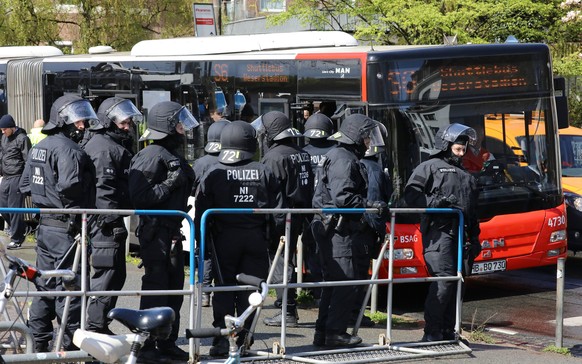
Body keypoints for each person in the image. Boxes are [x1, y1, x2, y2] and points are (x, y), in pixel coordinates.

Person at [194, 120, 284, 357]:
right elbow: (277, 210)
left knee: (223, 289)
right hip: (255, 238)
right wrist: (273, 240)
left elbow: (201, 211)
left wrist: (201, 241)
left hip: (223, 239)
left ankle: (222, 340)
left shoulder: (214, 172)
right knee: (251, 289)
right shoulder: (264, 170)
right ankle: (243, 339)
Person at [19, 95, 97, 352]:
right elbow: (70, 186)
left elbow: (25, 185)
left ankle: (38, 340)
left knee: (44, 283)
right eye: (79, 120)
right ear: (63, 119)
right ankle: (68, 346)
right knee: (69, 285)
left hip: (45, 227)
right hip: (66, 226)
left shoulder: (40, 145)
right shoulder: (70, 150)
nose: (83, 125)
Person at [128, 101, 197, 362]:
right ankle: (145, 346)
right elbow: (140, 198)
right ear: (167, 126)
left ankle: (166, 342)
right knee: (157, 289)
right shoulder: (151, 155)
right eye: (178, 123)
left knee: (174, 290)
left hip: (172, 232)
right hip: (156, 232)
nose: (183, 128)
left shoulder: (170, 154)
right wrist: (169, 185)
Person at [311, 113, 387, 348]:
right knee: (345, 283)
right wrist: (370, 206)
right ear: (356, 136)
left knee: (335, 284)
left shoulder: (341, 155)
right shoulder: (344, 158)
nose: (368, 143)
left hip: (336, 229)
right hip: (339, 231)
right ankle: (334, 333)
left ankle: (324, 332)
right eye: (366, 138)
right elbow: (343, 197)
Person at [403, 123, 481, 342]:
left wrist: (475, 237)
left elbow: (472, 210)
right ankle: (432, 332)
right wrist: (435, 202)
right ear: (446, 145)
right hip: (439, 235)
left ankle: (448, 331)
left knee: (458, 283)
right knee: (444, 281)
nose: (461, 152)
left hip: (461, 237)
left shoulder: (466, 176)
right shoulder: (429, 167)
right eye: (457, 148)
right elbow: (410, 196)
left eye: (464, 149)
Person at [82, 97, 143, 335]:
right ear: (109, 121)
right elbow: (103, 187)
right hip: (105, 223)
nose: (127, 127)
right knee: (106, 274)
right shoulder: (103, 147)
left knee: (115, 274)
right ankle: (95, 328)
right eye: (123, 123)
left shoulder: (110, 144)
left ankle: (99, 325)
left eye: (129, 122)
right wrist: (111, 220)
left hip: (110, 220)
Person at [254, 111, 313, 327]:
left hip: (280, 218)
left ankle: (286, 311)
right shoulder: (301, 153)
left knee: (279, 263)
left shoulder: (274, 157)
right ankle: (288, 308)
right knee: (286, 261)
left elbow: (268, 191)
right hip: (297, 215)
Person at [192, 118, 230, 307]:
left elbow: (192, 189)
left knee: (204, 253)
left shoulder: (200, 162)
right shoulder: (231, 162)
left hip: (203, 215)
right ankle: (221, 289)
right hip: (226, 217)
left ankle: (205, 292)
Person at [301, 113, 336, 300]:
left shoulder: (302, 153)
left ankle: (317, 289)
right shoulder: (336, 152)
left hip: (309, 210)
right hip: (331, 208)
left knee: (312, 248)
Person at [0, 114, 31, 249]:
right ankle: (20, 228)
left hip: (17, 177)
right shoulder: (4, 138)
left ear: (12, 127)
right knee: (3, 207)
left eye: (4, 129)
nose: (3, 132)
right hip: (6, 177)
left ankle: (17, 238)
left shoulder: (22, 139)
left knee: (14, 209)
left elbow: (28, 160)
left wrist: (25, 181)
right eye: (1, 130)